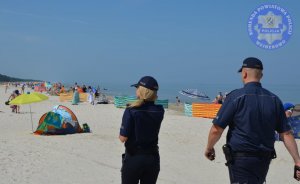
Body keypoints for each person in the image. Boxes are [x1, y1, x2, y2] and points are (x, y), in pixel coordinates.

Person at [205, 57, 300, 183]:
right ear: (261, 75)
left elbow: (217, 129)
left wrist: (209, 147)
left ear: (244, 74)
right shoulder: (274, 99)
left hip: (241, 158)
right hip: (264, 158)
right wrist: (297, 160)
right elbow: (286, 133)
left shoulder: (235, 97)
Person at [119, 76, 164, 184]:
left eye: (137, 88)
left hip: (134, 157)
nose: (136, 90)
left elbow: (123, 138)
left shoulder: (131, 110)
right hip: (153, 158)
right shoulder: (160, 110)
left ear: (142, 91)